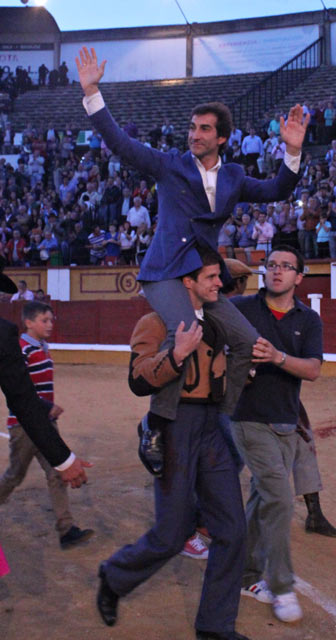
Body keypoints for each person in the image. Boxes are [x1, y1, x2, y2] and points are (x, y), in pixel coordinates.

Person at [76, 46, 307, 426]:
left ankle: (227, 415)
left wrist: (293, 150)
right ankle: (158, 421)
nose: (194, 135)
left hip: (202, 276)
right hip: (165, 272)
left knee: (249, 343)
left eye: (204, 129)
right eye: (192, 127)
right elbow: (120, 143)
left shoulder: (233, 177)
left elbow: (277, 189)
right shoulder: (169, 166)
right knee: (186, 334)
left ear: (222, 139)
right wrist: (92, 94)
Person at [97, 249, 250, 640]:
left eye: (220, 277)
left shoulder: (218, 321)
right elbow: (138, 380)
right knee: (171, 533)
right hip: (175, 427)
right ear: (187, 282)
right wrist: (176, 354)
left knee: (233, 528)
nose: (219, 284)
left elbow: (224, 376)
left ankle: (215, 628)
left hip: (212, 427)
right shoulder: (154, 322)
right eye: (212, 277)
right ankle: (115, 577)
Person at [230, 246, 323, 624]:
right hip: (248, 418)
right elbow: (213, 342)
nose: (277, 271)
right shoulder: (241, 308)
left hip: (286, 420)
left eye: (286, 267)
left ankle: (247, 574)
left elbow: (313, 369)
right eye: (271, 265)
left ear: (299, 277)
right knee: (282, 499)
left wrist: (277, 358)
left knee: (261, 498)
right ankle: (281, 585)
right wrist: (237, 364)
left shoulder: (309, 319)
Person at [0, 302, 94, 549]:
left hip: (45, 424)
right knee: (14, 476)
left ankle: (67, 530)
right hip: (23, 425)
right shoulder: (19, 347)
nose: (50, 325)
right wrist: (45, 406)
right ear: (28, 322)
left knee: (56, 472)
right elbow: (17, 390)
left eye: (51, 320)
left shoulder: (41, 347)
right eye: (44, 320)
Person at [0, 263, 91, 488]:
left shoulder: (33, 345)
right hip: (27, 420)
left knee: (38, 474)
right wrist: (64, 459)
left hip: (38, 416)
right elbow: (21, 397)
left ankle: (66, 524)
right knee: (15, 474)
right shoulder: (6, 337)